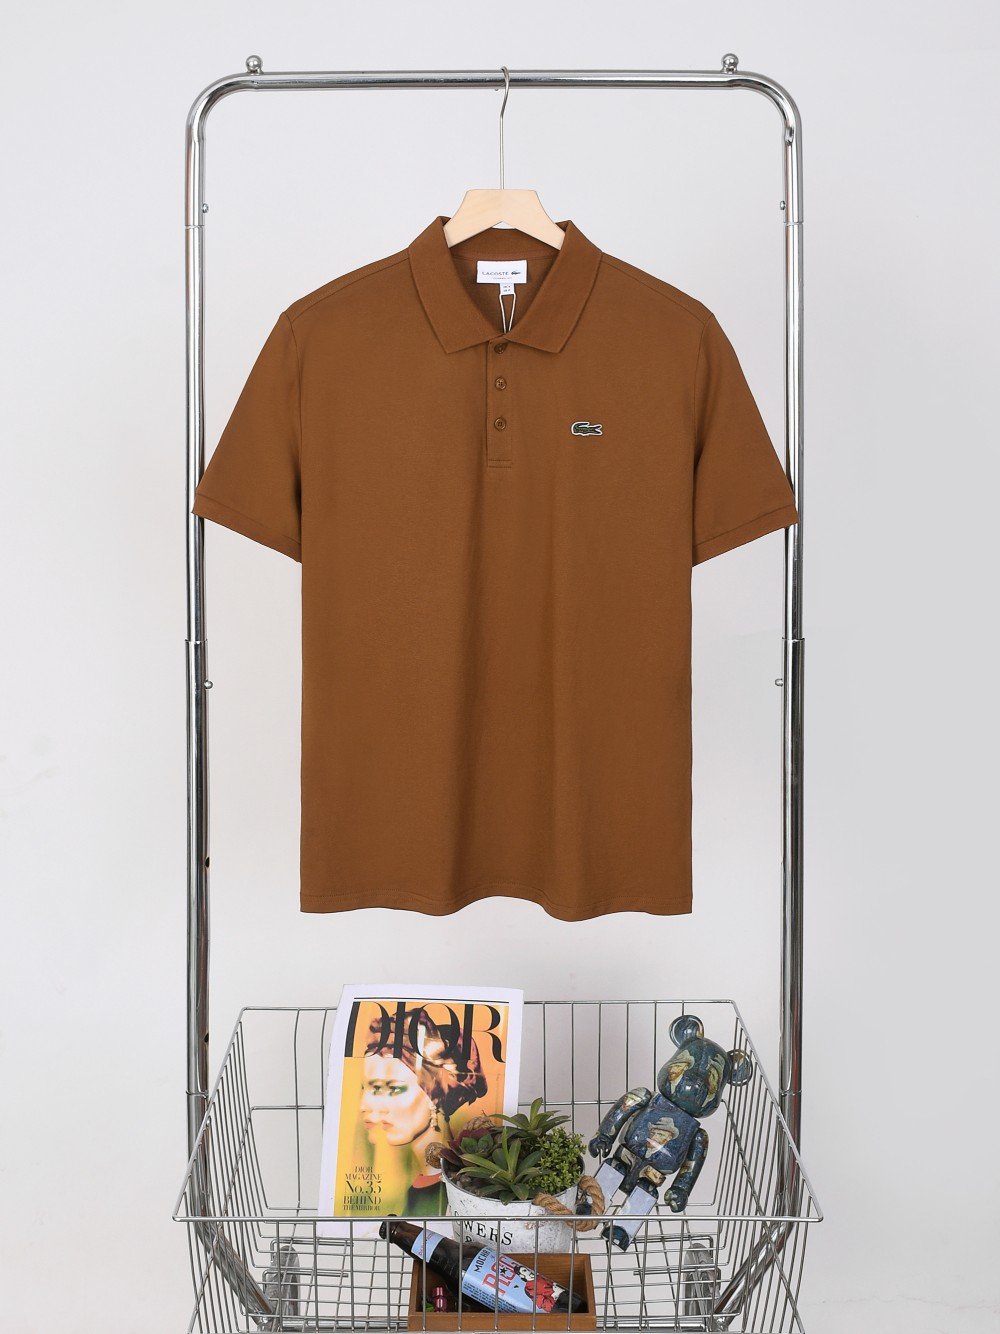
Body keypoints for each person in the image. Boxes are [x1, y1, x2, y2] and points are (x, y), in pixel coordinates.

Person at [359, 1006, 488, 1217]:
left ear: (434, 1096)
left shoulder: (464, 1190)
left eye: (393, 1088)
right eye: (365, 1088)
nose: (364, 1104)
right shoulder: (420, 1187)